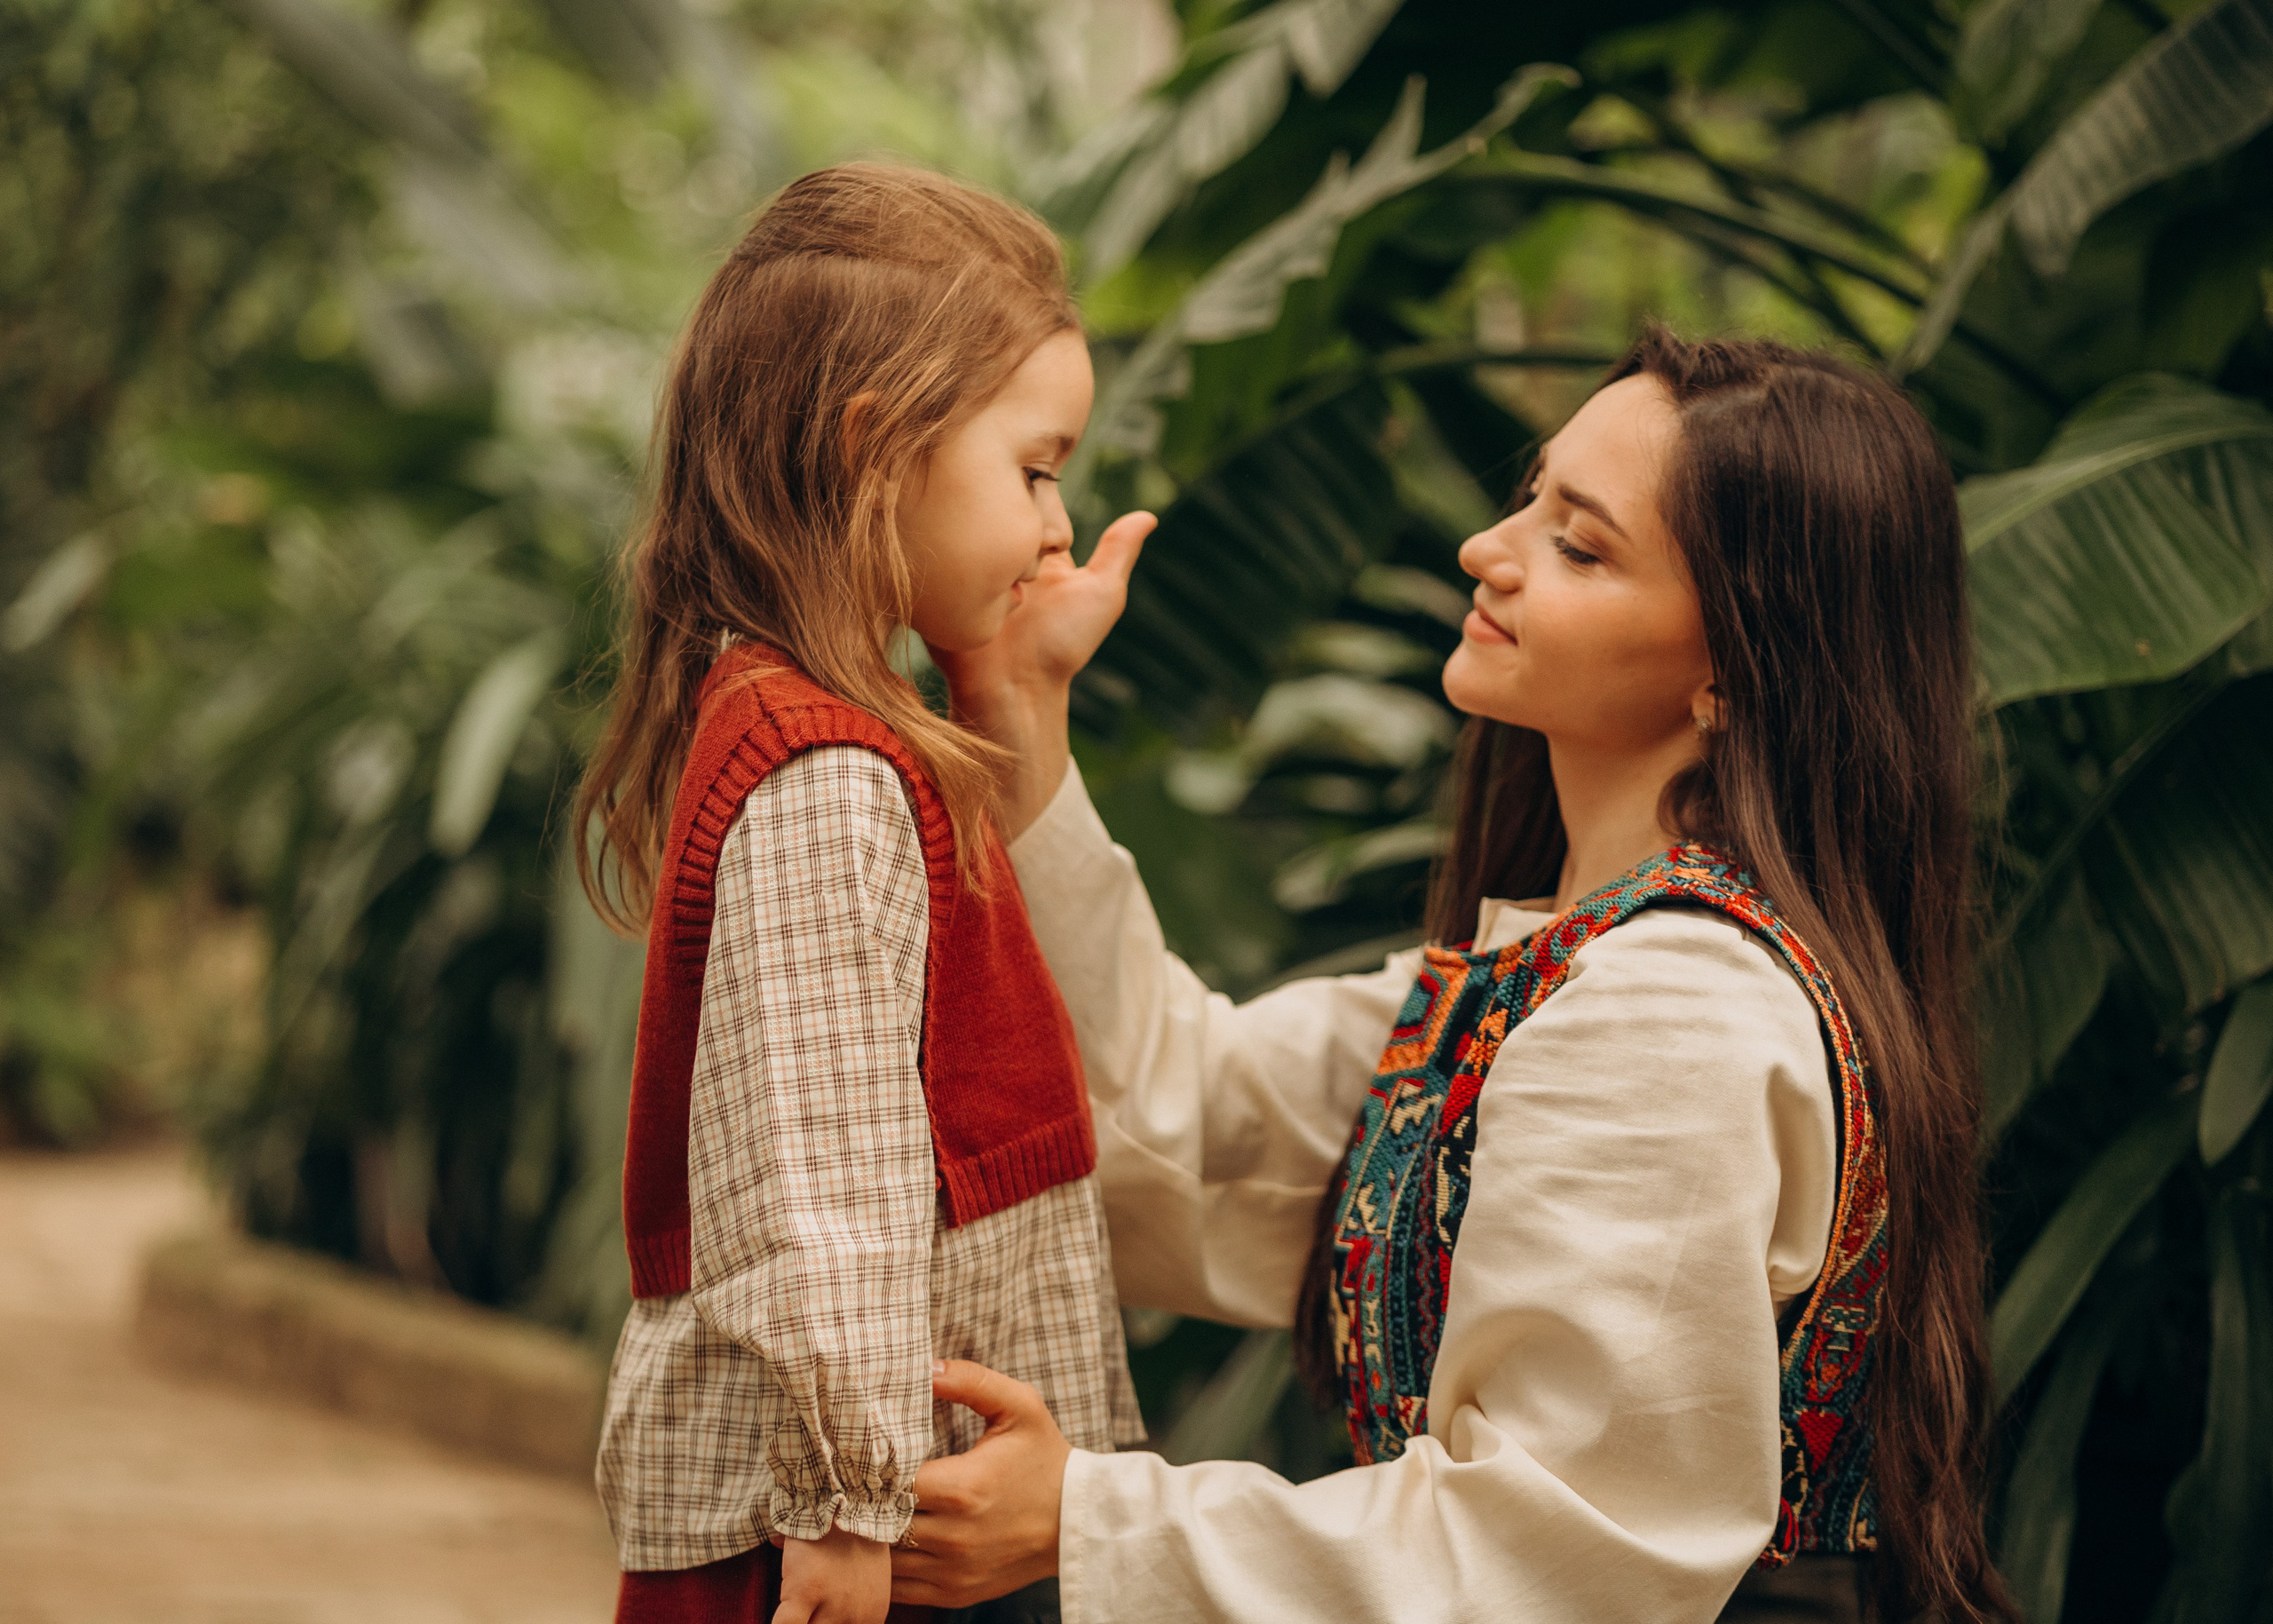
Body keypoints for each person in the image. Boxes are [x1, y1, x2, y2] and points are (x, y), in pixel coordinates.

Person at [890, 330, 2017, 1623]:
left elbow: (1543, 1552)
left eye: (1579, 544)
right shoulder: (1566, 968)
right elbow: (1184, 1116)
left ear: (1732, 665)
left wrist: (1087, 1518)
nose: (1491, 547)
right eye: (1530, 497)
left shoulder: (1676, 1012)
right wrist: (1019, 704)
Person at [574, 162, 1159, 1624]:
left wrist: (1011, 677)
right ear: (872, 450)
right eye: (1033, 467)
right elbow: (818, 1172)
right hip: (866, 1542)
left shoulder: (836, 724)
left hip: (899, 1511)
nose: (1054, 518)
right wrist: (843, 1496)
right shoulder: (824, 769)